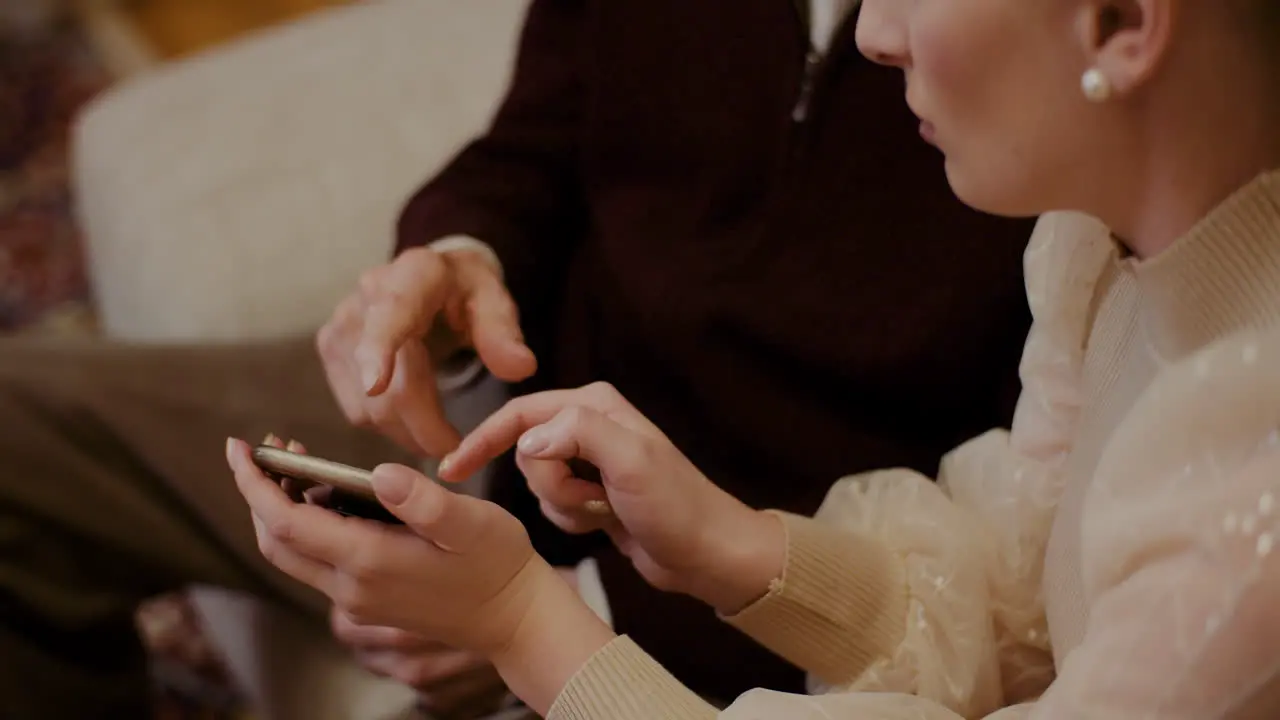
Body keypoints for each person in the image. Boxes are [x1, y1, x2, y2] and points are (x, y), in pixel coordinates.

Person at [228, 0, 1280, 717]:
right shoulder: (1089, 248)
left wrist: (518, 618)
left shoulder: (1247, 494)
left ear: (1121, 20)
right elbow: (1012, 602)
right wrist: (727, 546)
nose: (875, 30)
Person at [0, 1, 1035, 718]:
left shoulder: (1060, 131)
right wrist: (455, 260)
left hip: (716, 599)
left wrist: (558, 620)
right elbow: (536, 134)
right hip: (497, 413)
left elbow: (984, 591)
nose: (876, 35)